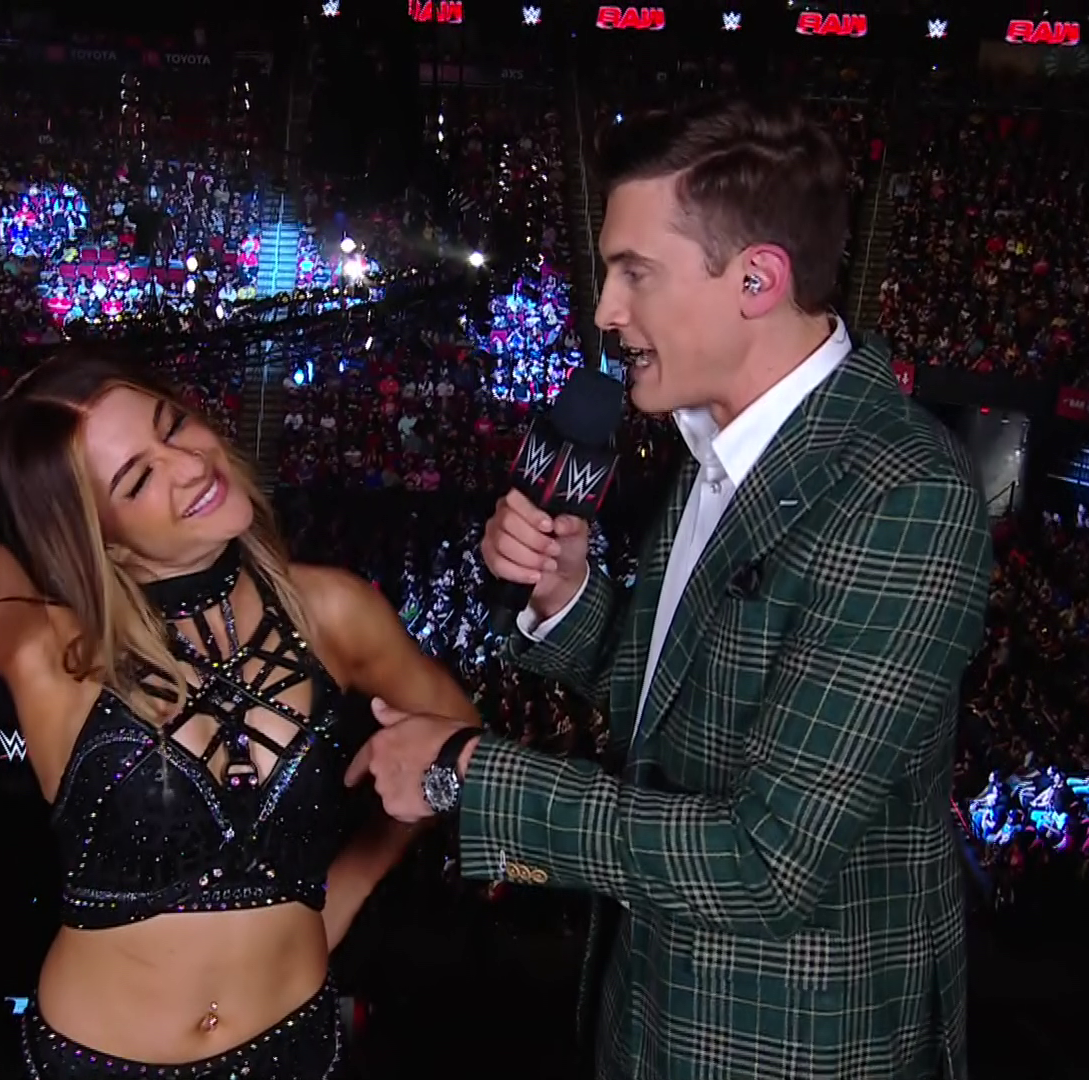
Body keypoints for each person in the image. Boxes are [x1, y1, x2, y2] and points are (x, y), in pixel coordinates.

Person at [349, 97, 993, 1079]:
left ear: (757, 279)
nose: (605, 310)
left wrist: (464, 774)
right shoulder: (716, 446)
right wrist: (567, 595)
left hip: (787, 1051)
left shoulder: (899, 490)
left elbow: (766, 862)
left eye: (635, 272)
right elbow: (674, 713)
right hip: (649, 1015)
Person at [0, 354, 475, 1079]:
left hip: (297, 1051)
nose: (189, 466)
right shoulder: (55, 647)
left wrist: (354, 883)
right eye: (137, 479)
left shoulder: (332, 611)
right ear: (99, 534)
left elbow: (455, 734)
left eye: (173, 426)